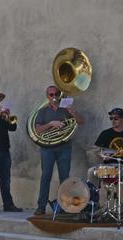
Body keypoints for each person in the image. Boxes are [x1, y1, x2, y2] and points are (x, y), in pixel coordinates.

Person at [34, 85, 85, 215]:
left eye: (56, 94)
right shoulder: (43, 111)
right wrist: (51, 124)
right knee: (46, 177)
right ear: (47, 97)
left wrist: (72, 112)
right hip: (47, 149)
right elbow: (38, 129)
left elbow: (81, 121)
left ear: (59, 95)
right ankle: (41, 206)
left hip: (64, 148)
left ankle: (64, 206)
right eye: (51, 95)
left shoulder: (65, 110)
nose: (54, 97)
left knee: (64, 178)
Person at [89, 107, 123, 197]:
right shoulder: (105, 133)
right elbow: (95, 150)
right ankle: (94, 203)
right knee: (91, 172)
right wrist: (101, 155)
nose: (113, 121)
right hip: (107, 166)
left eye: (116, 118)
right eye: (111, 118)